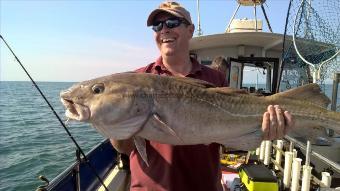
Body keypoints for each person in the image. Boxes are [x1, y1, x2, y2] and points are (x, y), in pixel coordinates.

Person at [110, 1, 295, 191]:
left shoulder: (215, 78)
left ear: (190, 30)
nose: (164, 29)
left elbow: (229, 141)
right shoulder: (137, 79)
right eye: (157, 25)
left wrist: (264, 132)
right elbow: (124, 148)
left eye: (172, 22)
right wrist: (114, 124)